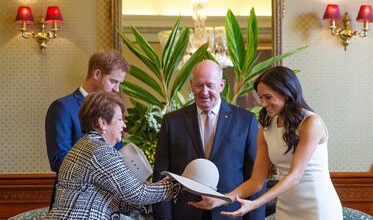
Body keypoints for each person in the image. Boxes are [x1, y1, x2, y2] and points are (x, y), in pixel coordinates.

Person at [190, 66, 343, 220]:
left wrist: (255, 204)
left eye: (268, 97)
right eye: (261, 97)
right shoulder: (266, 126)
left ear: (286, 93)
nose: (263, 103)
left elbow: (295, 175)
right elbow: (256, 181)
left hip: (317, 206)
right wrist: (222, 199)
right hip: (286, 206)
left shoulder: (311, 122)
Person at [152, 60, 266, 220]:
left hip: (229, 214)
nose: (204, 92)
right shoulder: (172, 121)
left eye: (210, 85)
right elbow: (160, 177)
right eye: (199, 85)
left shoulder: (245, 121)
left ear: (221, 85)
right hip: (184, 214)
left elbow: (255, 177)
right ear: (191, 85)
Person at [46, 91, 182, 219]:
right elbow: (138, 194)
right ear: (103, 123)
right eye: (119, 119)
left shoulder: (86, 145)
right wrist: (176, 185)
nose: (124, 125)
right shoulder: (99, 151)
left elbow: (121, 201)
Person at [45, 49, 128, 173]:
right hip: (76, 191)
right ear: (97, 74)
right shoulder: (62, 107)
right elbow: (58, 161)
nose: (117, 89)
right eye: (113, 81)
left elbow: (118, 154)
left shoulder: (114, 110)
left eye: (119, 83)